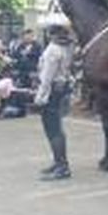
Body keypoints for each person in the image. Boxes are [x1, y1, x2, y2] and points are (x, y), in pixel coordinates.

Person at [34, 21, 75, 180]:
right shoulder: (67, 47)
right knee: (56, 127)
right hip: (61, 88)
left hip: (51, 91)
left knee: (52, 129)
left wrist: (40, 96)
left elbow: (47, 77)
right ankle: (58, 162)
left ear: (50, 34)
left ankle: (62, 166)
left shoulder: (52, 50)